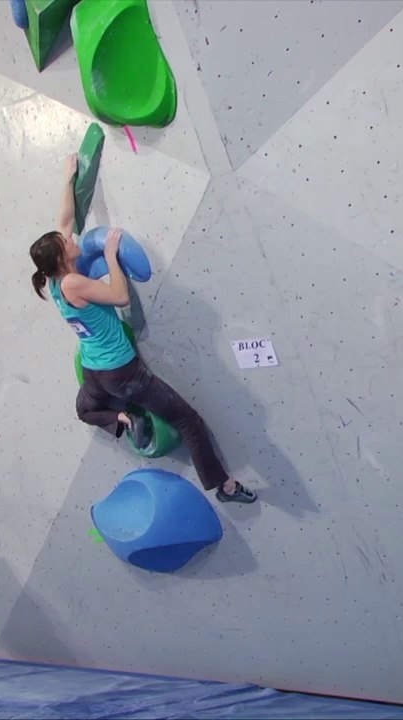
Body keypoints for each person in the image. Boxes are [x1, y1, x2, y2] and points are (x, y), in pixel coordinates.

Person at [29, 154, 256, 504]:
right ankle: (223, 486)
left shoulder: (54, 281)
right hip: (123, 373)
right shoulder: (73, 283)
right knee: (189, 421)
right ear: (63, 259)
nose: (72, 239)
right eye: (67, 243)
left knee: (84, 410)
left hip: (94, 371)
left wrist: (67, 178)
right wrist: (109, 255)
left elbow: (65, 219)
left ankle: (119, 417)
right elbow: (119, 296)